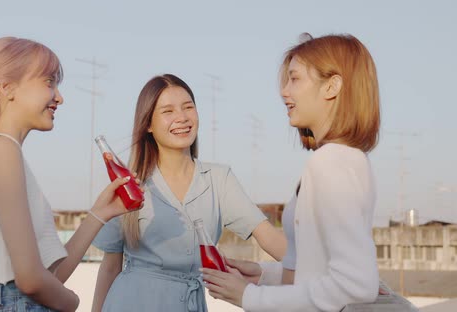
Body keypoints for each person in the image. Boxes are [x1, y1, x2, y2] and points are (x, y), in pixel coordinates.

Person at [0, 37, 142, 312]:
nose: (59, 97)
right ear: (8, 88)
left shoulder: (0, 151)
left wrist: (101, 212)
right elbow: (29, 281)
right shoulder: (0, 151)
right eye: (49, 82)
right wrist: (71, 302)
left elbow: (48, 276)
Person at [201, 33, 381, 312]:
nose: (285, 91)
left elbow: (355, 285)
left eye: (295, 79)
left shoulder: (330, 162)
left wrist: (249, 297)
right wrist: (264, 275)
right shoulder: (348, 159)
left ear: (332, 86)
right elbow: (319, 268)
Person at [91, 74, 287, 312]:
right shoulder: (127, 184)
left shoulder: (219, 179)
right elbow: (110, 267)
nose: (182, 118)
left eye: (188, 107)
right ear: (148, 124)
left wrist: (319, 271)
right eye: (168, 111)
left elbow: (267, 236)